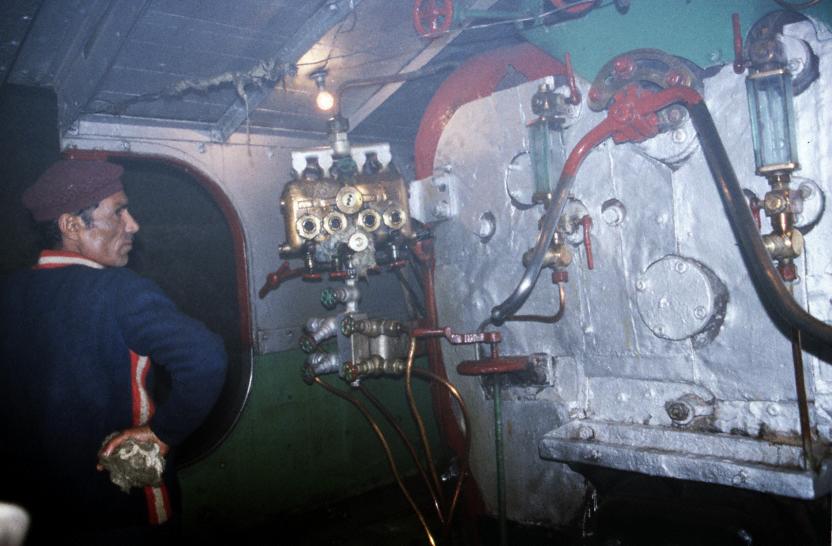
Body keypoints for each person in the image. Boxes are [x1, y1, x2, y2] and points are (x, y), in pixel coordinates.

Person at [0, 159, 227, 544]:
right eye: (119, 211)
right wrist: (161, 433)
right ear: (72, 225)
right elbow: (205, 358)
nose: (133, 224)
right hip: (122, 508)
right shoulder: (119, 291)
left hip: (34, 514)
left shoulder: (10, 292)